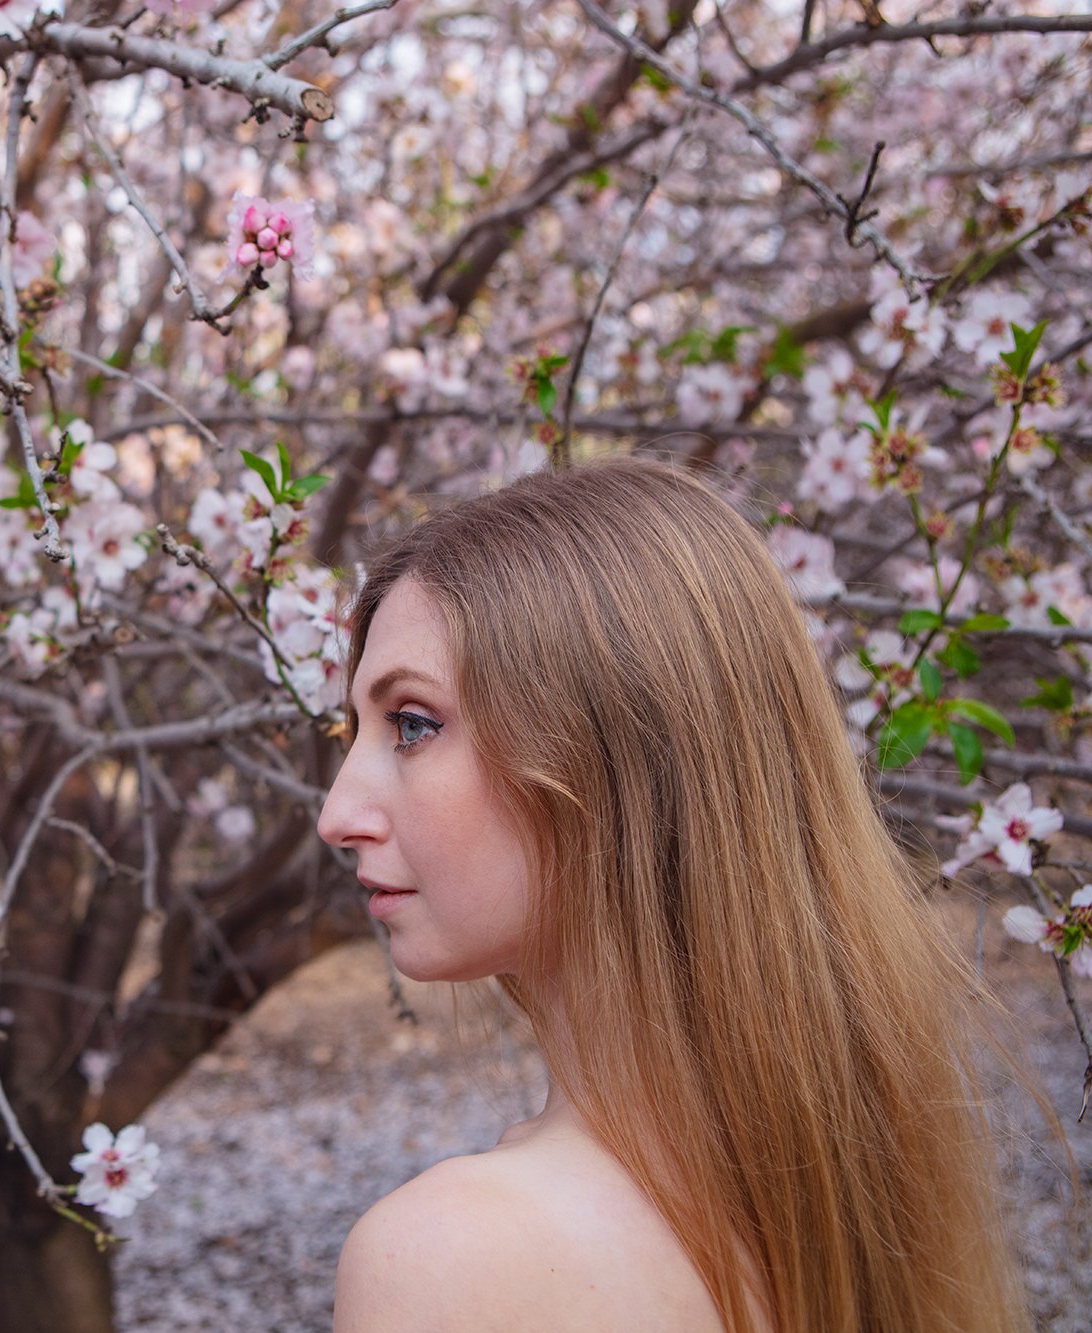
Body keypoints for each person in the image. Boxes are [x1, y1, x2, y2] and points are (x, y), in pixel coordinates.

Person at [318, 457, 1028, 1332]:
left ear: (615, 751)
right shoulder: (861, 1185)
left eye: (413, 724)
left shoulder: (448, 1258)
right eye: (356, 729)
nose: (337, 814)